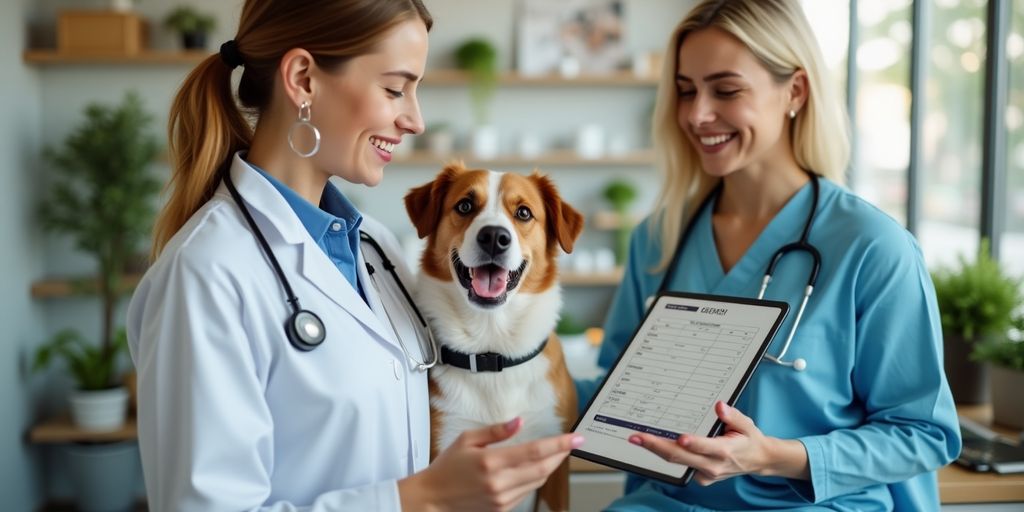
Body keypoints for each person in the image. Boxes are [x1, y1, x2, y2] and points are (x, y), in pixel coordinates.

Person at [127, 1, 582, 510]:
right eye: (394, 88)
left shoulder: (377, 249)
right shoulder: (205, 274)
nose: (414, 119)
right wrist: (419, 497)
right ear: (302, 79)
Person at [574, 0, 960, 510]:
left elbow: (923, 433)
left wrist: (772, 456)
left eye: (726, 90)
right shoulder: (660, 236)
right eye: (686, 91)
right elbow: (612, 394)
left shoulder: (872, 247)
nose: (696, 114)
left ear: (794, 91)